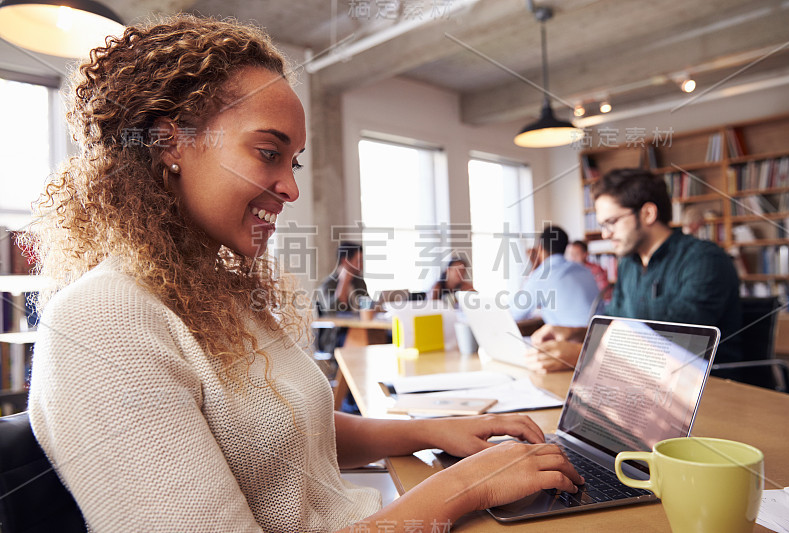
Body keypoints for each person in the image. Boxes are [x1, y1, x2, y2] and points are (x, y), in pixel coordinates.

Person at [23, 15, 582, 532]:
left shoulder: (213, 293)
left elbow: (285, 431)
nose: (291, 187)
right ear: (170, 142)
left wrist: (430, 431)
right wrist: (464, 486)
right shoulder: (102, 323)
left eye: (293, 162)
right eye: (269, 152)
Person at [527, 168, 742, 375]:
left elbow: (679, 343)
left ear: (648, 213)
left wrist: (585, 353)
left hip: (708, 387)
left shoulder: (704, 260)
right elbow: (615, 327)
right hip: (645, 385)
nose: (605, 234)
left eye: (611, 222)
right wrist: (574, 334)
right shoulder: (629, 264)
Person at [510, 225, 600, 327]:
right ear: (566, 247)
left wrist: (533, 266)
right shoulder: (583, 270)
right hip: (597, 336)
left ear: (540, 248)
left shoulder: (542, 275)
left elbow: (515, 313)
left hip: (573, 339)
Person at [316, 241, 369, 314]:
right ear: (345, 261)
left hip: (360, 324)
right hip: (340, 325)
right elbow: (332, 311)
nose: (362, 265)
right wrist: (344, 282)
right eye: (359, 261)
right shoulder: (327, 284)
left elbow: (367, 306)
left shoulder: (359, 281)